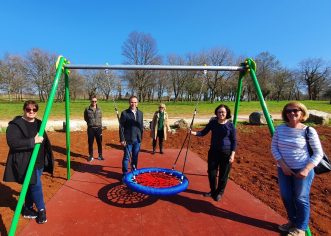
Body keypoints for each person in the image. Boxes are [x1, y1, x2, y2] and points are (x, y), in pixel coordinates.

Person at [271, 102, 323, 236]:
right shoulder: (280, 129)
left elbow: (318, 153)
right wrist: (283, 165)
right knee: (286, 196)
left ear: (302, 113)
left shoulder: (309, 131)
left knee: (301, 198)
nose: (291, 113)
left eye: (295, 110)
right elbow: (274, 148)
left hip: (303, 169)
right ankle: (293, 221)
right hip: (284, 169)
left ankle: (301, 228)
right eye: (288, 111)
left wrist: (306, 169)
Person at [3, 100, 54, 224]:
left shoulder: (39, 123)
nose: (31, 112)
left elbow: (44, 140)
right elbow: (13, 143)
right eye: (28, 109)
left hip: (40, 161)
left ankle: (28, 208)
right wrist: (33, 141)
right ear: (24, 109)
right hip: (26, 162)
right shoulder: (15, 125)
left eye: (34, 110)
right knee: (35, 185)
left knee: (31, 185)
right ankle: (42, 210)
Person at [191, 104, 236, 202]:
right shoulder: (213, 123)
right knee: (211, 173)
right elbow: (203, 132)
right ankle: (213, 190)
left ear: (227, 113)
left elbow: (234, 141)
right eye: (219, 112)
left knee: (223, 175)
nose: (221, 114)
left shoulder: (230, 125)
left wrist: (232, 155)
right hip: (213, 152)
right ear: (216, 113)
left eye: (223, 112)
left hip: (226, 153)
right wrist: (193, 133)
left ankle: (219, 192)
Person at [119, 95, 144, 175]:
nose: (133, 104)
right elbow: (121, 127)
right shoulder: (125, 113)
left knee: (135, 157)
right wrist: (122, 139)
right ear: (129, 103)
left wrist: (141, 137)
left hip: (137, 139)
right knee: (126, 158)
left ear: (137, 103)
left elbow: (141, 126)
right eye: (132, 102)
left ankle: (134, 172)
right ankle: (125, 174)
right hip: (128, 139)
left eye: (135, 102)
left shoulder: (140, 113)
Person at [84, 95, 103, 162]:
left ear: (97, 101)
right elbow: (85, 118)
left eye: (95, 101)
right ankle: (91, 155)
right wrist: (90, 123)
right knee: (90, 143)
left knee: (99, 142)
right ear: (90, 101)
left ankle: (100, 155)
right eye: (93, 101)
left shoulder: (100, 109)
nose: (94, 102)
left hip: (98, 128)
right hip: (91, 129)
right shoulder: (87, 109)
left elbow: (101, 118)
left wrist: (99, 126)